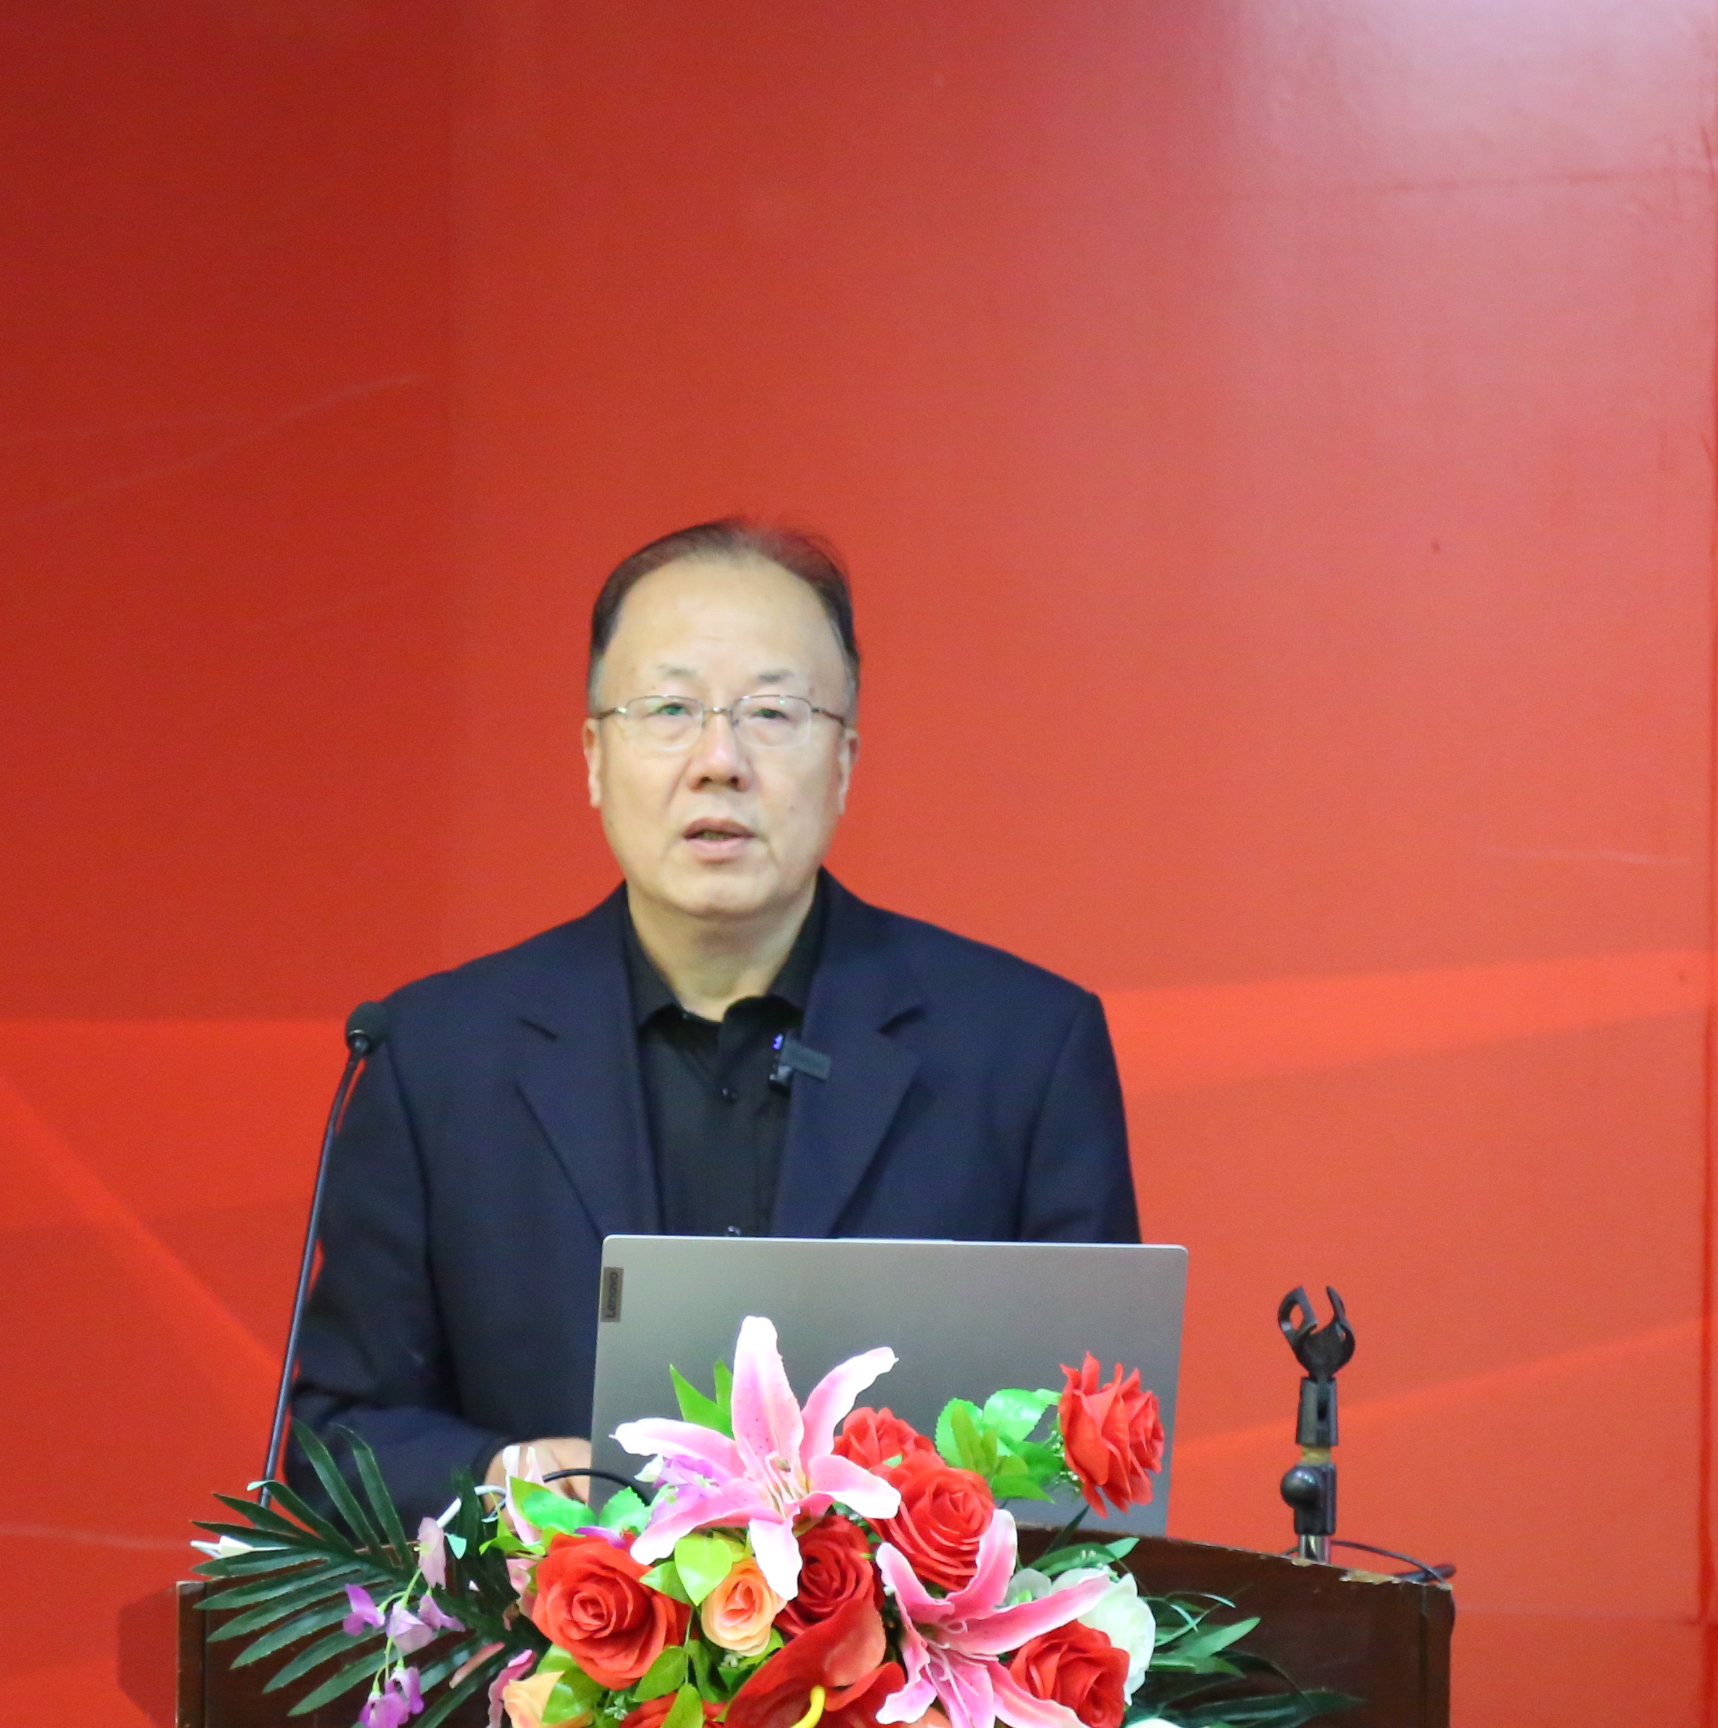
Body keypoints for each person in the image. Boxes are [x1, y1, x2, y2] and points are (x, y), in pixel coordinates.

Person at [286, 518, 1139, 1522]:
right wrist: (503, 1476)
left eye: (772, 712)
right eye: (669, 709)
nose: (719, 759)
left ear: (844, 764)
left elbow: (1096, 1453)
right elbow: (337, 1439)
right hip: (537, 1623)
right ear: (594, 756)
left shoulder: (1022, 1051)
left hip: (914, 1626)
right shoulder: (436, 1059)